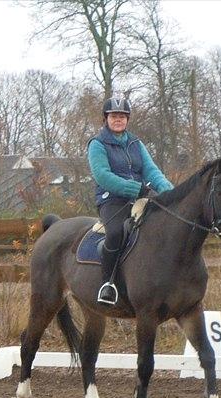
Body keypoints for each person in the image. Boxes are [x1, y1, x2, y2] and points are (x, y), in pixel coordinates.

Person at [87, 96, 174, 305]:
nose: (118, 120)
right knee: (117, 232)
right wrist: (135, 188)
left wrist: (169, 191)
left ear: (128, 119)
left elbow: (151, 170)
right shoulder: (97, 144)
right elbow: (102, 175)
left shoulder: (136, 143)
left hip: (140, 197)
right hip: (112, 200)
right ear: (106, 118)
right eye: (114, 116)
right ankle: (108, 284)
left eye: (122, 116)